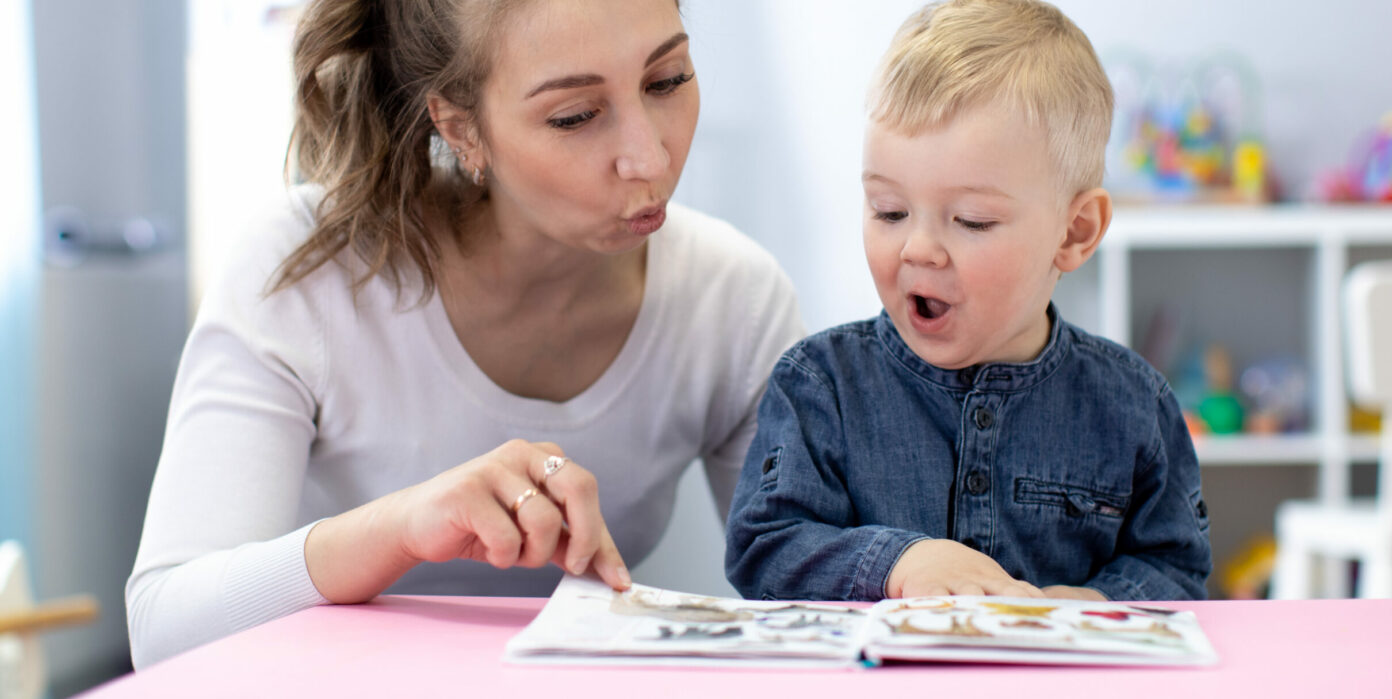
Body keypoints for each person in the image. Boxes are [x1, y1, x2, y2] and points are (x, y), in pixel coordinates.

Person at [126, 0, 803, 668]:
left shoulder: (732, 298)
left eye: (668, 80)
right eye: (575, 116)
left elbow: (821, 599)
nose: (649, 159)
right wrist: (401, 526)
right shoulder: (306, 268)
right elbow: (164, 624)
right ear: (459, 127)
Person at [725, 0, 1210, 603]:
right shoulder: (820, 386)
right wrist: (898, 564)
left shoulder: (1134, 406)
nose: (919, 249)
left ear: (1075, 231)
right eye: (889, 211)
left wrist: (1096, 605)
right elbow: (763, 550)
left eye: (972, 220)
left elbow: (1176, 567)